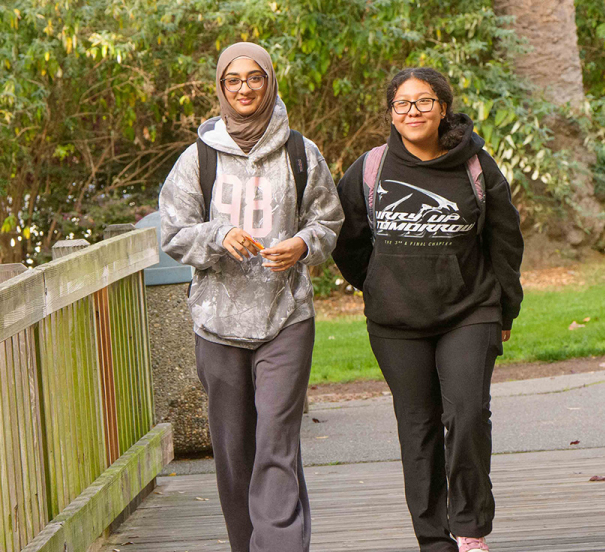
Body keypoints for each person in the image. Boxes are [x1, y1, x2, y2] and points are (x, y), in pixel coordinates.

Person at [158, 42, 343, 552]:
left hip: (286, 317)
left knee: (276, 444)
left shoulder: (301, 153)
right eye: (233, 80)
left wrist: (302, 244)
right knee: (235, 451)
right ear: (220, 87)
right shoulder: (197, 157)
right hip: (217, 322)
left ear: (270, 82)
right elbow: (173, 233)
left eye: (254, 77)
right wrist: (220, 237)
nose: (244, 88)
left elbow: (328, 221)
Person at [332, 67, 525, 552]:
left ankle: (470, 528)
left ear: (443, 107)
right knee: (416, 429)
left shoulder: (475, 166)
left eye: (423, 102)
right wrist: (377, 284)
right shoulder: (371, 169)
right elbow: (346, 239)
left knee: (467, 415)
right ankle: (433, 540)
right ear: (391, 114)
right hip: (396, 323)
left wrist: (505, 311)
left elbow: (505, 241)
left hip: (470, 310)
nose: (412, 111)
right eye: (402, 104)